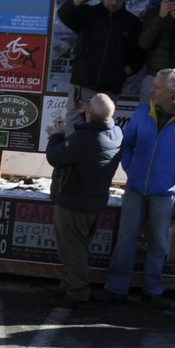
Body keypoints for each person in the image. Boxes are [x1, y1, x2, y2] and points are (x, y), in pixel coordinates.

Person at [99, 69, 175, 308]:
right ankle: (116, 288)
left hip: (166, 192)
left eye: (156, 87)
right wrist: (129, 167)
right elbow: (127, 144)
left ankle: (153, 290)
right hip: (136, 186)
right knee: (126, 238)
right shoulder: (143, 112)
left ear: (171, 92)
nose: (150, 90)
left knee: (158, 241)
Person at [45, 93, 123, 305]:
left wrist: (56, 135)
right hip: (95, 202)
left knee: (72, 250)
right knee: (79, 247)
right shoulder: (116, 133)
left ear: (89, 115)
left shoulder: (83, 140)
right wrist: (87, 114)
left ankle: (77, 292)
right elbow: (96, 129)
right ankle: (69, 283)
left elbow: (55, 157)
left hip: (74, 203)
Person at [57, 0, 142, 109]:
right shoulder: (89, 13)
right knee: (73, 129)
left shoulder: (133, 23)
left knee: (102, 130)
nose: (114, 2)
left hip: (109, 92)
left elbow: (140, 55)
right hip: (82, 88)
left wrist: (124, 71)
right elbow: (63, 14)